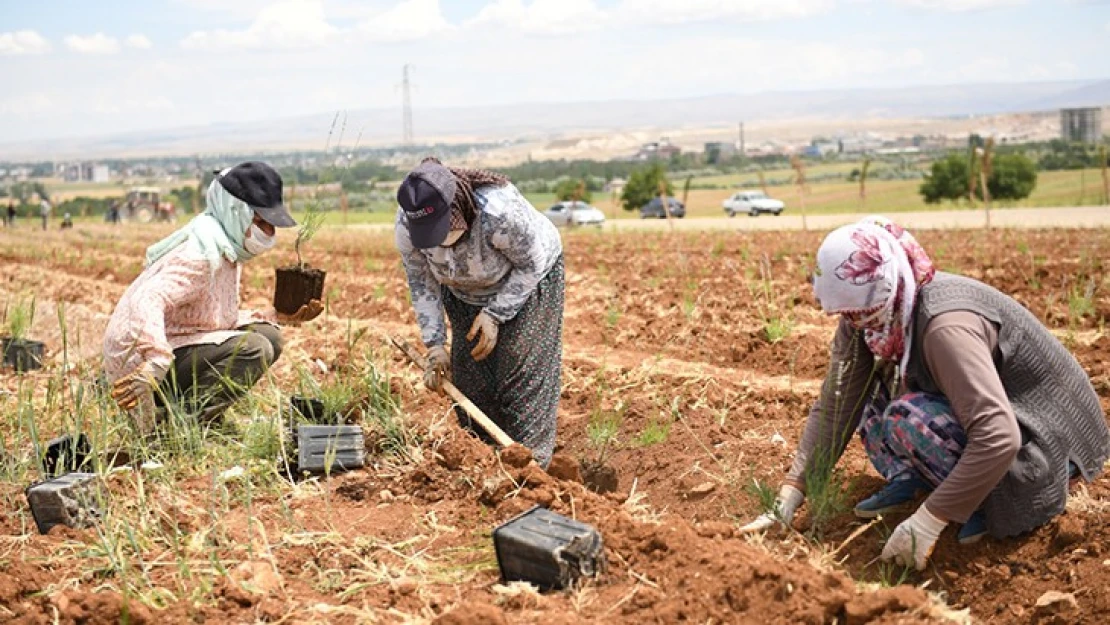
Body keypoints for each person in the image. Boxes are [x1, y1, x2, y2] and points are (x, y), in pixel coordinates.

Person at [741, 216, 1109, 571]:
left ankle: (987, 501)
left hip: (1047, 447)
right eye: (845, 314)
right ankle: (919, 481)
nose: (852, 323)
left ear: (882, 289)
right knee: (866, 393)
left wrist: (930, 520)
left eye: (857, 313)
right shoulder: (876, 313)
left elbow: (999, 436)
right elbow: (837, 402)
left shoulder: (945, 327)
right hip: (1006, 417)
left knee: (910, 418)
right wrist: (792, 492)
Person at [103, 162, 323, 434]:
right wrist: (156, 358)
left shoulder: (225, 244)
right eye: (261, 222)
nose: (268, 233)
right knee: (254, 348)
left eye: (271, 225)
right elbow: (147, 299)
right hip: (140, 366)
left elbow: (212, 318)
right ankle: (180, 428)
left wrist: (281, 316)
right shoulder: (202, 256)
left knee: (270, 336)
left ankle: (199, 412)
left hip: (179, 342)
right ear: (236, 212)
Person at [395, 158, 564, 467]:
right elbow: (421, 281)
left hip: (525, 281)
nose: (440, 243)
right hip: (461, 290)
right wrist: (434, 345)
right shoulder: (407, 224)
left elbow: (532, 263)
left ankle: (530, 469)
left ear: (458, 207)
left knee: (521, 367)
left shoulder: (499, 213)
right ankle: (484, 462)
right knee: (471, 375)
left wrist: (495, 315)